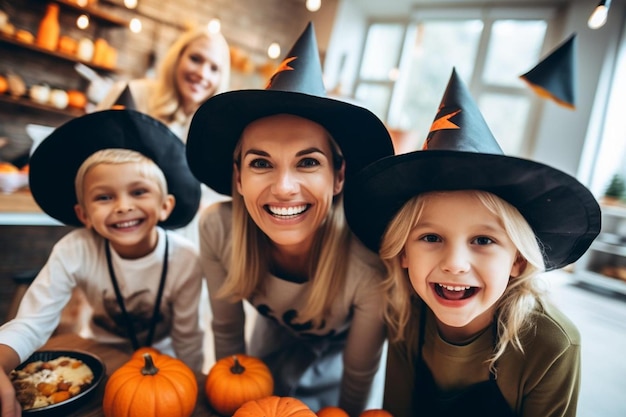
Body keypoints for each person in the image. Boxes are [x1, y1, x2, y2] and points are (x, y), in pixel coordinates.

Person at [343, 69, 601, 417]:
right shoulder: (406, 317)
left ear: (518, 261)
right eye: (431, 237)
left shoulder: (551, 344)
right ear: (404, 252)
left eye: (483, 240)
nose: (455, 263)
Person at [185, 22, 395, 417]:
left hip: (338, 373)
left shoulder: (369, 260)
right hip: (266, 355)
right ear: (239, 179)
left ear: (339, 177)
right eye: (261, 162)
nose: (284, 188)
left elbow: (358, 375)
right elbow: (228, 335)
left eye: (308, 162)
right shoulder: (218, 230)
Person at [0, 110, 204, 417]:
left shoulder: (185, 258)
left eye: (138, 192)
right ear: (83, 215)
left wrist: (193, 392)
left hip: (165, 366)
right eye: (104, 197)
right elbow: (33, 321)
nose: (123, 207)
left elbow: (188, 337)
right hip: (100, 359)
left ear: (165, 206)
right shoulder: (75, 249)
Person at [96, 24, 231, 142]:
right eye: (195, 59)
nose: (202, 74)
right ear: (177, 58)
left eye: (214, 68)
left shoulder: (211, 131)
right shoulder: (130, 94)